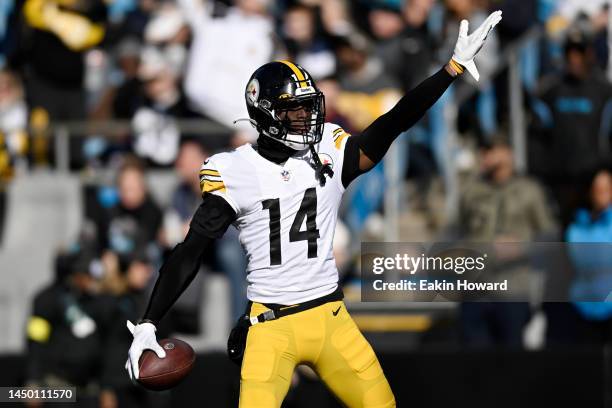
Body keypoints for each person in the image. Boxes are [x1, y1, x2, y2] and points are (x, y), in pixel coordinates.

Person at [125, 11, 502, 407]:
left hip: (331, 317)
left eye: (308, 107)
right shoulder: (233, 170)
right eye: (295, 110)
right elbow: (191, 251)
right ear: (265, 113)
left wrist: (450, 70)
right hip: (270, 325)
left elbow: (393, 123)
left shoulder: (328, 151)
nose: (307, 118)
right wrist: (150, 320)